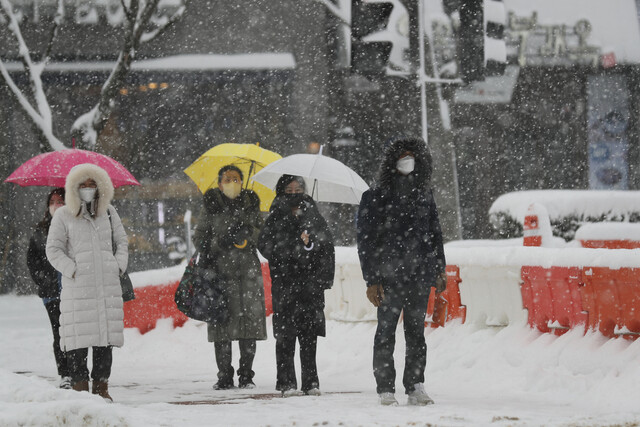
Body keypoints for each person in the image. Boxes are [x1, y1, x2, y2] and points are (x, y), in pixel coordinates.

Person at [356, 137, 447, 406]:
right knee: (385, 332)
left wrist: (439, 268)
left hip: (419, 275)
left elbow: (434, 235)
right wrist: (372, 279)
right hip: (388, 277)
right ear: (392, 162)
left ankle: (415, 385)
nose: (408, 161)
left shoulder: (424, 194)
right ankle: (385, 387)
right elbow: (367, 241)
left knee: (416, 332)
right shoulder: (375, 197)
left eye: (412, 156)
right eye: (403, 156)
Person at [46, 163, 128, 402]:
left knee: (105, 340)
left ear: (101, 187)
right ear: (74, 188)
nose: (88, 189)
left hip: (106, 288)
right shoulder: (63, 215)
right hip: (78, 290)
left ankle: (102, 388)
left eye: (92, 184)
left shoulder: (109, 212)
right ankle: (80, 390)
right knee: (77, 342)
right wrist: (73, 270)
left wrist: (117, 266)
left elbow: (122, 242)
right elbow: (53, 250)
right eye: (83, 185)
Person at [258, 175, 335, 397]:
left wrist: (310, 244)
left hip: (310, 285)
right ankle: (286, 383)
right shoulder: (275, 216)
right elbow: (265, 245)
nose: (294, 191)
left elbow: (326, 245)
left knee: (309, 335)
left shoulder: (313, 214)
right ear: (281, 190)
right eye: (289, 188)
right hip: (286, 283)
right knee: (285, 336)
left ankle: (311, 382)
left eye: (298, 187)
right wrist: (292, 247)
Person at [193, 165, 267, 390]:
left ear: (242, 182)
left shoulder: (251, 205)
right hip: (220, 276)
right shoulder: (211, 207)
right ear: (219, 183)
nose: (232, 183)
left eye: (236, 179)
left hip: (248, 275)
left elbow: (263, 236)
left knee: (249, 326)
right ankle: (224, 375)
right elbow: (199, 240)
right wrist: (220, 242)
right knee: (221, 327)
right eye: (228, 178)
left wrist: (248, 232)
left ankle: (246, 375)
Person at [26, 187, 71, 389]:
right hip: (51, 292)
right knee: (59, 333)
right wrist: (44, 280)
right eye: (52, 201)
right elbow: (32, 261)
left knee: (74, 332)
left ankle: (77, 371)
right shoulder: (41, 230)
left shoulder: (73, 225)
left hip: (73, 289)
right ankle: (65, 374)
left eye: (60, 201)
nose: (56, 205)